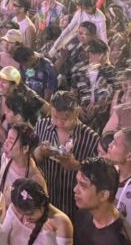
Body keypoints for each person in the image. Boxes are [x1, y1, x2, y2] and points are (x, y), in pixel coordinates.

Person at [34, 91, 101, 219]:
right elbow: (30, 160)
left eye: (64, 119)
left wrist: (76, 166)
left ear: (76, 112)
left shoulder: (91, 138)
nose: (59, 123)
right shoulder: (41, 126)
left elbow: (97, 177)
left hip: (74, 206)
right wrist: (40, 152)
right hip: (44, 201)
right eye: (55, 117)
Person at [72, 156, 131, 245]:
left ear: (103, 195)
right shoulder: (82, 215)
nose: (75, 190)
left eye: (83, 186)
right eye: (77, 183)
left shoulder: (123, 244)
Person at [0, 177, 73, 245]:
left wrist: (50, 239)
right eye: (22, 213)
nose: (26, 219)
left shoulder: (60, 222)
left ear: (42, 204)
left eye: (30, 214)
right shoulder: (14, 211)